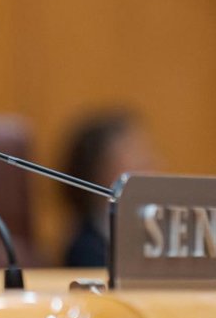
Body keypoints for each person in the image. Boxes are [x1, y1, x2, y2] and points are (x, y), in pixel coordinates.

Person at [58, 110, 157, 267]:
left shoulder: (156, 235)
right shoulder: (86, 249)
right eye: (138, 162)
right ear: (98, 172)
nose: (151, 168)